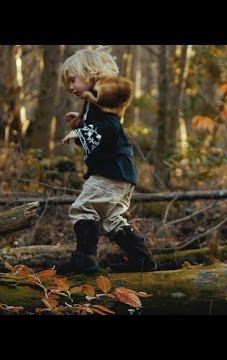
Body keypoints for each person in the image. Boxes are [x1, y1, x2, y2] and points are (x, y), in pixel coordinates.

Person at [53, 46, 157, 274]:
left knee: (82, 208)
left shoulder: (104, 100)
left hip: (110, 172)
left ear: (90, 73)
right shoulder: (93, 104)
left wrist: (80, 133)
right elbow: (100, 130)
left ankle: (85, 258)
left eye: (73, 80)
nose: (70, 87)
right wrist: (79, 122)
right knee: (111, 219)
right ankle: (141, 259)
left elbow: (110, 127)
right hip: (120, 172)